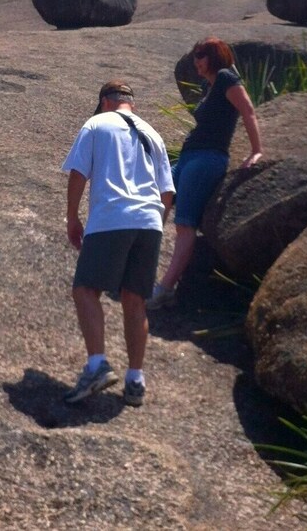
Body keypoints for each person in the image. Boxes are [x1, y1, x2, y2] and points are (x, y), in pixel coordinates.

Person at [62, 80, 175, 407]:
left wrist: (73, 218)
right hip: (150, 222)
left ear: (104, 102)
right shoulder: (154, 134)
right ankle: (135, 380)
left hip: (113, 215)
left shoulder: (97, 123)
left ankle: (97, 365)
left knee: (85, 289)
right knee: (134, 299)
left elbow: (78, 174)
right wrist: (155, 225)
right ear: (131, 104)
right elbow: (167, 193)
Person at [146, 37, 263, 309]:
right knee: (154, 199)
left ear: (216, 55)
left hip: (208, 159)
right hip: (188, 156)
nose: (196, 61)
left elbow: (248, 110)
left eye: (202, 55)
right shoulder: (206, 86)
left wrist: (256, 150)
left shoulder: (225, 78)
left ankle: (164, 289)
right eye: (195, 56)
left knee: (185, 223)